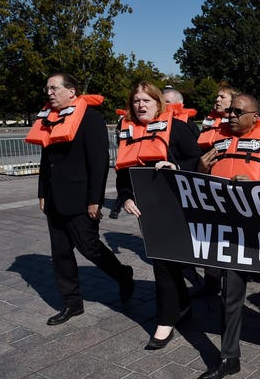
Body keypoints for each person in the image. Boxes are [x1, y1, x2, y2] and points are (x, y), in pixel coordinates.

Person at [193, 94, 260, 379]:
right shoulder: (216, 144)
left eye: (238, 111)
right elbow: (199, 187)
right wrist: (200, 169)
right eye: (229, 111)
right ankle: (228, 358)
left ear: (255, 117)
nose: (231, 115)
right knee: (230, 294)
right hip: (230, 231)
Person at [25, 72, 134, 325]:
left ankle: (123, 274)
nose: (49, 93)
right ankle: (72, 303)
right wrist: (42, 192)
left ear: (71, 91)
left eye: (54, 88)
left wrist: (94, 200)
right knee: (61, 253)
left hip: (80, 198)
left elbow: (98, 163)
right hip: (54, 198)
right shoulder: (51, 118)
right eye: (47, 89)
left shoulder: (90, 118)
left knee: (90, 247)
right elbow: (46, 159)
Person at [115, 81, 201, 349]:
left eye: (147, 101)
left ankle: (165, 321)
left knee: (163, 262)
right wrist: (125, 196)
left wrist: (175, 165)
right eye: (136, 101)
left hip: (176, 205)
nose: (140, 105)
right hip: (146, 208)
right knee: (165, 260)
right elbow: (121, 171)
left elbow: (198, 160)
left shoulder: (176, 127)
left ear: (158, 104)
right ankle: (183, 304)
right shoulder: (126, 130)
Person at [194, 85, 242, 297]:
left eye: (222, 96)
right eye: (216, 96)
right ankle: (212, 282)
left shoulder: (242, 127)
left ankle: (236, 280)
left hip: (237, 192)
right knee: (212, 237)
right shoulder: (209, 126)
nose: (217, 99)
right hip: (212, 191)